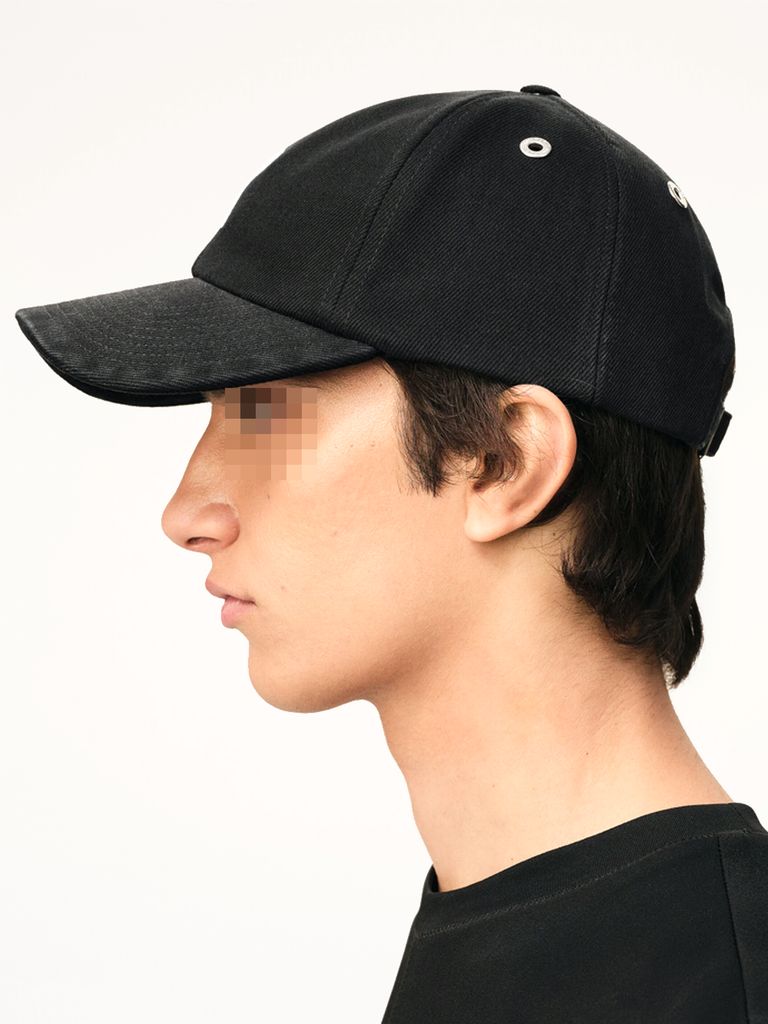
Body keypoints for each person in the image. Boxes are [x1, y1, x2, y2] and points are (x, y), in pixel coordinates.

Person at [15, 85, 767, 1021]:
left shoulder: (713, 990)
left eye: (263, 415)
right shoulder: (527, 918)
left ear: (504, 463)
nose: (186, 513)